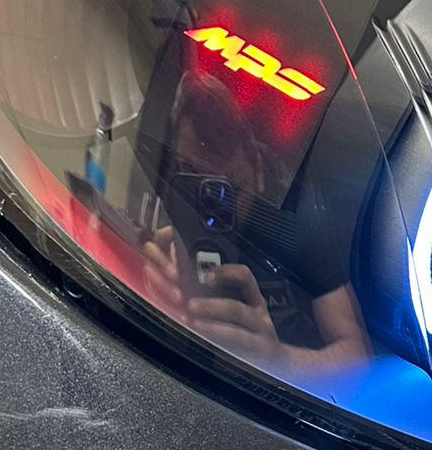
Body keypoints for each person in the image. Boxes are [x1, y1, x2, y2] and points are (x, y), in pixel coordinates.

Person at [141, 69, 369, 378]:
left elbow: (358, 358)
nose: (212, 208)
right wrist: (148, 290)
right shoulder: (170, 219)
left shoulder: (296, 228)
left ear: (259, 172)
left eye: (230, 187)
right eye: (194, 181)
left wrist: (277, 359)